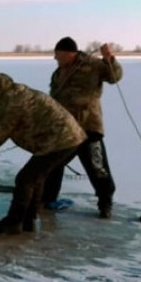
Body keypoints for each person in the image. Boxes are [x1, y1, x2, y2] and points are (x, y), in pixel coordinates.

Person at [0, 73, 86, 235]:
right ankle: (28, 220)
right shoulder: (16, 93)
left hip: (60, 140)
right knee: (35, 179)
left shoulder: (11, 102)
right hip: (66, 137)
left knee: (25, 179)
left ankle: (14, 222)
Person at [42, 36, 123, 218]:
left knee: (98, 167)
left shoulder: (93, 65)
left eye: (58, 55)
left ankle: (105, 204)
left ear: (70, 53)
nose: (56, 59)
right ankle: (47, 199)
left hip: (88, 127)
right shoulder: (58, 74)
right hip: (65, 130)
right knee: (52, 164)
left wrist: (109, 59)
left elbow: (114, 76)